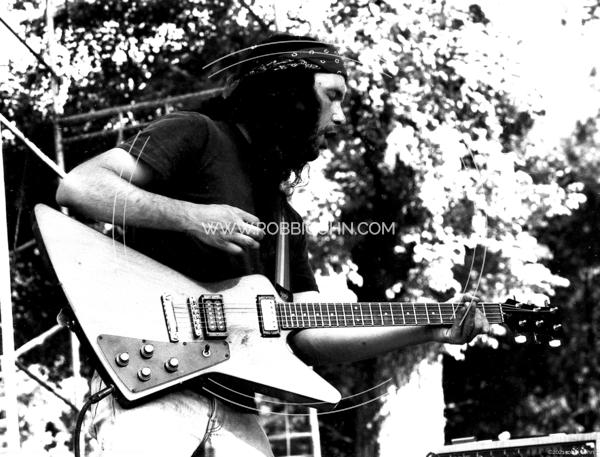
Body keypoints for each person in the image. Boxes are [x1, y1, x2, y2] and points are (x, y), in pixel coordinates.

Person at [56, 34, 489, 457]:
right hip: (148, 381)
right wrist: (191, 217)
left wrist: (431, 327)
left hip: (235, 405)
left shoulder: (285, 219)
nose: (340, 117)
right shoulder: (196, 133)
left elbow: (309, 335)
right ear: (287, 93)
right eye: (332, 96)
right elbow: (80, 186)